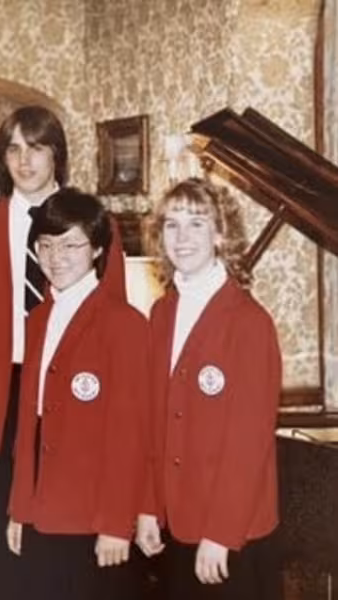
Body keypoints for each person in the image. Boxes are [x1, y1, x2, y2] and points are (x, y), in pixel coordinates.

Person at [0, 105, 125, 600]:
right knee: (5, 549)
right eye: (14, 149)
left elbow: (117, 330)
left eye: (37, 148)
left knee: (76, 557)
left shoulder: (94, 223)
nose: (24, 161)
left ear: (57, 155)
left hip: (77, 405)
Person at [136, 178, 282, 600]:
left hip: (232, 533)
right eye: (172, 225)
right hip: (176, 523)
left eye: (196, 224)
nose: (182, 238)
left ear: (220, 234)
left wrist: (220, 534)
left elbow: (248, 444)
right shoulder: (161, 314)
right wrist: (148, 506)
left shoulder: (249, 324)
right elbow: (153, 423)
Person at [5, 189, 149, 599]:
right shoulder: (37, 320)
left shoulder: (125, 325)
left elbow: (129, 435)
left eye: (71, 244)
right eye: (46, 245)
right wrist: (20, 509)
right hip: (42, 514)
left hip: (94, 521)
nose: (56, 256)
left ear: (98, 248)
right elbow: (29, 423)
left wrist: (116, 523)